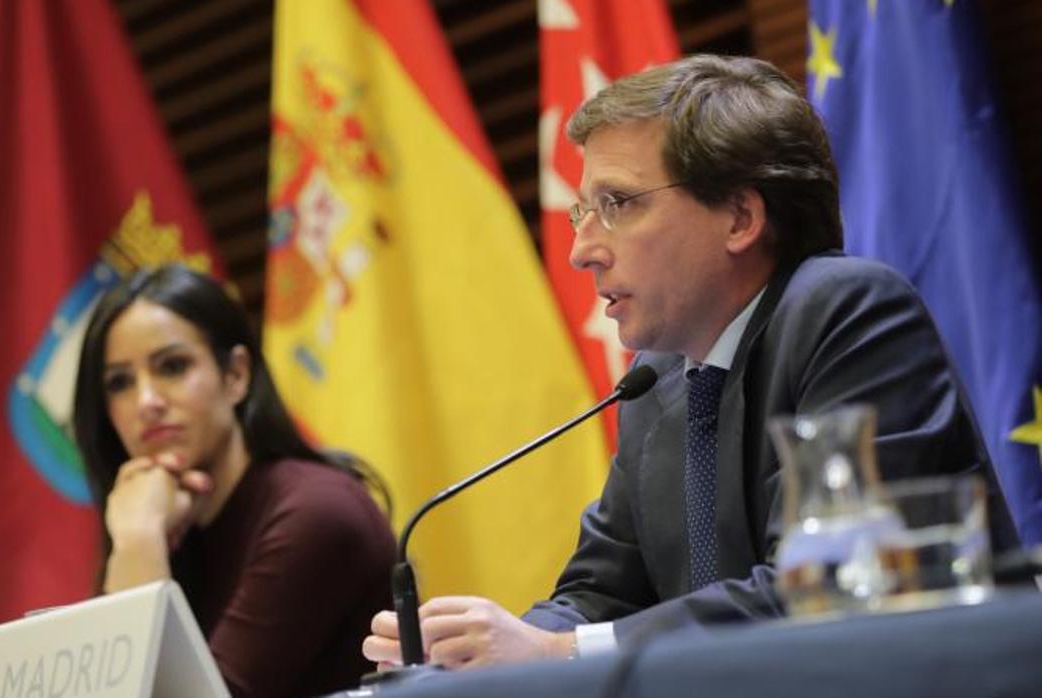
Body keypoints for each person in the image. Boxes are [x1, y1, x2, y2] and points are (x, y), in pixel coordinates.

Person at [362, 54, 1019, 670]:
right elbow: (598, 595)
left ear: (739, 217)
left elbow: (826, 587)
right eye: (582, 214)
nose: (581, 251)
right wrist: (472, 661)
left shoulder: (846, 311)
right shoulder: (659, 380)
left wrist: (554, 652)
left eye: (617, 205)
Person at [73, 264, 396, 697]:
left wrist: (137, 542)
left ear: (236, 375)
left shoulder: (315, 513)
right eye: (119, 383)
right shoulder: (174, 521)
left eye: (172, 366)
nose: (146, 401)